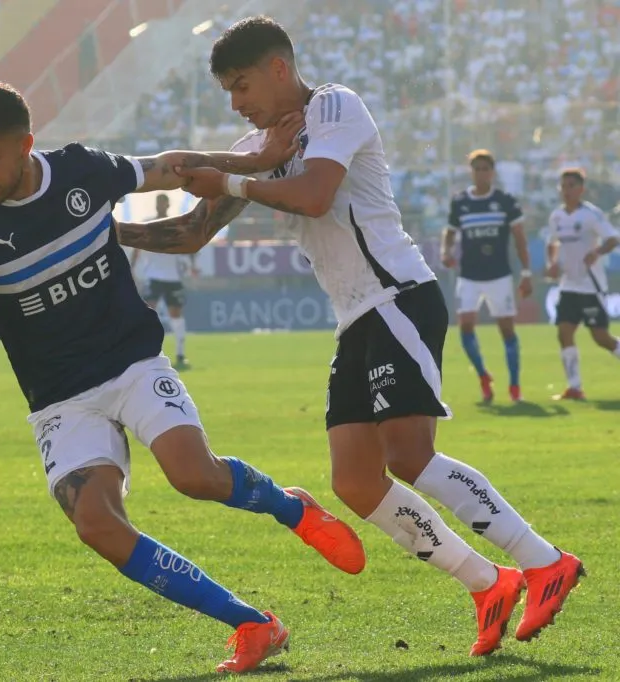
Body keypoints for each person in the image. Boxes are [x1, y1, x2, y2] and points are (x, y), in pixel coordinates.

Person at [117, 17, 584, 657]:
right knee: (357, 481)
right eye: (228, 91)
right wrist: (107, 234)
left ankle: (545, 560)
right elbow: (192, 233)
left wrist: (234, 176)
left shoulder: (335, 106)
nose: (236, 103)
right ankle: (488, 583)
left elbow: (314, 195)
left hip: (398, 297)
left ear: (279, 68)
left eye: (241, 85)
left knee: (409, 454)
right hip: (357, 318)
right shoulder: (257, 146)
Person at [0, 82, 365, 674]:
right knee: (96, 525)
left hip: (131, 362)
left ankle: (291, 507)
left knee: (195, 476)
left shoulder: (80, 170)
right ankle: (252, 624)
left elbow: (171, 167)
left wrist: (256, 161)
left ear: (25, 144)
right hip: (59, 399)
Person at [441, 150, 532, 402]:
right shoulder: (460, 202)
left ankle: (514, 385)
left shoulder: (505, 201)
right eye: (476, 169)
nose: (481, 173)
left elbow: (520, 239)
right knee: (465, 326)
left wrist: (526, 273)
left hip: (499, 275)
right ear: (471, 172)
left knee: (507, 330)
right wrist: (445, 251)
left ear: (492, 172)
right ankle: (483, 375)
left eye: (485, 169)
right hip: (469, 275)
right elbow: (449, 231)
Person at [545, 167, 620, 400]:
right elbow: (552, 243)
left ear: (581, 189)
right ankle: (575, 388)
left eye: (571, 186)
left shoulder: (591, 214)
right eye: (563, 186)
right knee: (564, 333)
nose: (566, 190)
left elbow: (612, 239)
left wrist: (596, 252)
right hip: (568, 285)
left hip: (590, 285)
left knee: (601, 337)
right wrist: (552, 263)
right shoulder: (557, 216)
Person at [130, 193, 197, 369]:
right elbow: (137, 247)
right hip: (153, 276)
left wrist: (191, 266)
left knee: (176, 315)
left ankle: (180, 354)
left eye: (163, 202)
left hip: (173, 277)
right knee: (148, 313)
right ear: (156, 204)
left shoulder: (175, 225)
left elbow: (188, 246)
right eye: (159, 202)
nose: (161, 205)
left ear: (168, 205)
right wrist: (132, 269)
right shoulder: (148, 224)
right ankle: (145, 352)